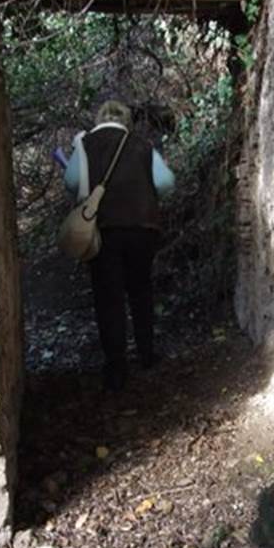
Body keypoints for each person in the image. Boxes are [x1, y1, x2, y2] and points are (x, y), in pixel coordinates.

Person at [64, 99, 175, 391]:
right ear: (127, 121)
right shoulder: (142, 145)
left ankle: (116, 367)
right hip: (142, 228)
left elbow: (72, 182)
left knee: (108, 296)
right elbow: (165, 183)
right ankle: (147, 354)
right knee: (140, 290)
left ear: (98, 119)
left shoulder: (85, 145)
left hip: (104, 230)